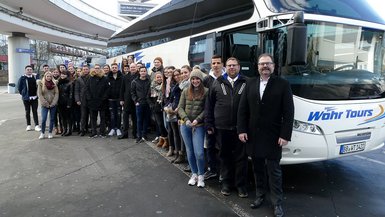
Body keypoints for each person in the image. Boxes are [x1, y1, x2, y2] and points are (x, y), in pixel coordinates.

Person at [237, 53, 294, 217]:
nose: (265, 66)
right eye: (262, 64)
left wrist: (285, 135)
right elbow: (243, 109)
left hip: (274, 136)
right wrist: (241, 130)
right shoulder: (250, 83)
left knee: (274, 171)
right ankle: (260, 196)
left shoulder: (283, 84)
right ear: (258, 67)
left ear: (273, 66)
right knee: (257, 169)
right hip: (253, 135)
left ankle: (277, 203)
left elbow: (288, 112)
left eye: (268, 64)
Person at [206, 57, 248, 197]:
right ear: (226, 67)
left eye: (234, 65)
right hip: (221, 128)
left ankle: (240, 185)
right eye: (229, 65)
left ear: (239, 67)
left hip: (241, 129)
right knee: (224, 156)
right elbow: (209, 105)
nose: (231, 68)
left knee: (241, 158)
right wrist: (209, 123)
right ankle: (226, 184)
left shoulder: (247, 82)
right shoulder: (217, 83)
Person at [178, 69, 208, 188]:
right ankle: (194, 174)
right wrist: (186, 120)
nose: (195, 81)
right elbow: (180, 108)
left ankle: (201, 175)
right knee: (189, 152)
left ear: (201, 80)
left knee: (199, 153)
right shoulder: (185, 91)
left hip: (199, 126)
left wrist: (197, 120)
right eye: (193, 79)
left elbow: (207, 109)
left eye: (197, 79)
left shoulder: (206, 92)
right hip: (185, 126)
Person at [202, 55, 225, 180]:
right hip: (210, 119)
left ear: (222, 64)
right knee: (210, 146)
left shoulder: (226, 79)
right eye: (213, 63)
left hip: (222, 120)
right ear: (211, 65)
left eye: (218, 63)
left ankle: (223, 172)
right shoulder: (206, 80)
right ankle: (212, 169)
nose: (215, 65)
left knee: (222, 147)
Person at [85, 68, 110, 138]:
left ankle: (102, 132)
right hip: (92, 101)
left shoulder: (104, 78)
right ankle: (94, 132)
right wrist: (89, 98)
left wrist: (104, 98)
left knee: (103, 118)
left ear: (100, 69)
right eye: (95, 68)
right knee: (93, 118)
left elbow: (107, 89)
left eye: (98, 68)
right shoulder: (90, 78)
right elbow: (87, 89)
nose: (96, 70)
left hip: (102, 101)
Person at [18, 65, 41, 132]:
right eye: (28, 69)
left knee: (35, 111)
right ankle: (28, 125)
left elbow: (39, 82)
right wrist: (24, 94)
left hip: (34, 97)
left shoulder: (35, 77)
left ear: (32, 70)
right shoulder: (22, 78)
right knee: (27, 111)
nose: (29, 71)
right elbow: (19, 88)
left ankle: (37, 125)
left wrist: (37, 75)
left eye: (30, 69)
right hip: (26, 98)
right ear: (25, 71)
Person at [131, 66, 151, 143]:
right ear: (139, 72)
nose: (143, 72)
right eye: (141, 71)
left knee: (146, 120)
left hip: (147, 103)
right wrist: (136, 101)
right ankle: (139, 136)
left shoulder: (149, 81)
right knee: (139, 120)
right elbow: (132, 93)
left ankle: (144, 135)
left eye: (144, 71)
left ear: (146, 72)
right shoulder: (135, 81)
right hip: (139, 104)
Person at [37, 72, 59, 139]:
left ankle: (50, 133)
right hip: (44, 105)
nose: (49, 77)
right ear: (45, 77)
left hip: (53, 105)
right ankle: (42, 133)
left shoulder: (54, 84)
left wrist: (53, 103)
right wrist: (45, 103)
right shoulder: (41, 84)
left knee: (52, 119)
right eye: (47, 76)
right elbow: (39, 94)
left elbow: (56, 94)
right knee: (44, 119)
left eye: (50, 76)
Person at [149, 71, 168, 148]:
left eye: (160, 77)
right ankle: (163, 138)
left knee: (164, 125)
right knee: (159, 124)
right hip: (156, 108)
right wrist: (152, 105)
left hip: (163, 108)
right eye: (157, 77)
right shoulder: (152, 86)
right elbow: (148, 97)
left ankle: (166, 139)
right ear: (155, 78)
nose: (159, 78)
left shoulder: (165, 85)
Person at [119, 63, 138, 139]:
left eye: (134, 67)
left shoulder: (139, 76)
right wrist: (121, 99)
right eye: (131, 67)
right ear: (129, 68)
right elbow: (122, 89)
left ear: (136, 67)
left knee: (135, 118)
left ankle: (135, 133)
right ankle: (125, 133)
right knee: (125, 118)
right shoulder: (125, 77)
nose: (132, 68)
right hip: (127, 100)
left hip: (136, 100)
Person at [107, 63, 123, 137]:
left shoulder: (122, 77)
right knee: (112, 115)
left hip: (119, 99)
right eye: (112, 67)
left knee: (119, 114)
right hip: (110, 99)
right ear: (111, 68)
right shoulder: (108, 77)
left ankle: (118, 128)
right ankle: (113, 128)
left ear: (118, 68)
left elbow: (123, 89)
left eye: (115, 67)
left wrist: (122, 99)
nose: (114, 68)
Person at [75, 64, 90, 136]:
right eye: (84, 69)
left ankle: (90, 129)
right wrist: (77, 100)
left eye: (86, 69)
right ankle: (82, 130)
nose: (85, 70)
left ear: (89, 70)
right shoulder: (79, 79)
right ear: (82, 70)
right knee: (83, 116)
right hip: (82, 99)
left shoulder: (92, 77)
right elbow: (76, 90)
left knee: (92, 116)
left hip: (90, 100)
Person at [57, 70, 73, 136]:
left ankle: (69, 131)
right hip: (60, 102)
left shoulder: (70, 83)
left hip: (67, 102)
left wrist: (69, 103)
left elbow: (71, 94)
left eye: (64, 74)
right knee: (62, 117)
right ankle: (65, 130)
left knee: (68, 117)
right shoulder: (59, 83)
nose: (62, 75)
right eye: (62, 74)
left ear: (67, 75)